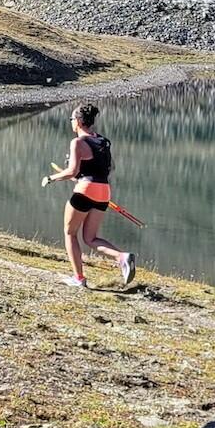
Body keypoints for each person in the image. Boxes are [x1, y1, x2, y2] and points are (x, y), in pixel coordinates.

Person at [42, 101, 134, 289]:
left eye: (71, 119)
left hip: (85, 190)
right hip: (103, 191)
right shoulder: (102, 141)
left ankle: (79, 278)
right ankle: (122, 257)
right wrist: (85, 176)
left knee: (70, 233)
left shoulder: (77, 142)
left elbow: (71, 171)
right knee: (90, 238)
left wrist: (51, 178)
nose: (71, 123)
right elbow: (108, 168)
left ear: (77, 121)